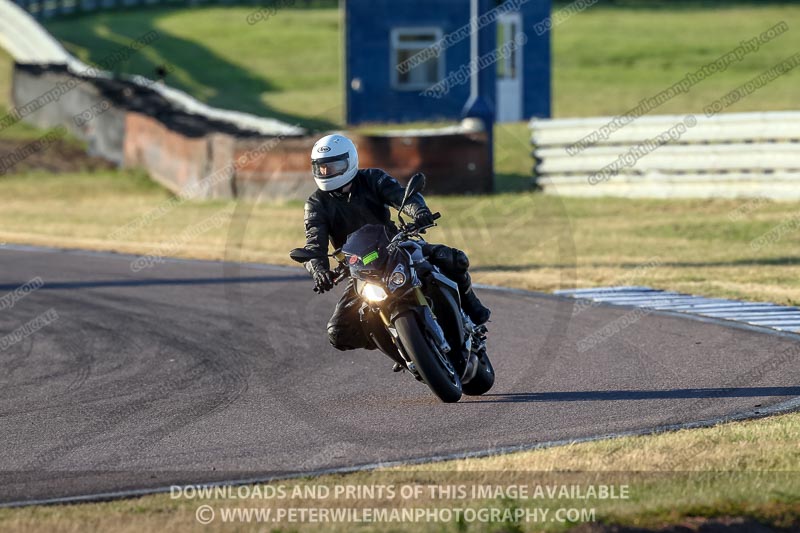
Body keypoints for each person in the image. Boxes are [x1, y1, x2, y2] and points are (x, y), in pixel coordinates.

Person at [303, 133, 490, 352]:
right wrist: (319, 270)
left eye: (333, 166)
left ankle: (472, 308)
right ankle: (399, 347)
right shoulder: (316, 204)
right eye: (322, 168)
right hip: (361, 267)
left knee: (453, 259)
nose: (326, 172)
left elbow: (402, 196)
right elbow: (314, 242)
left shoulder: (373, 178)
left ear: (350, 161)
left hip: (395, 246)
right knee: (339, 332)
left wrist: (419, 212)